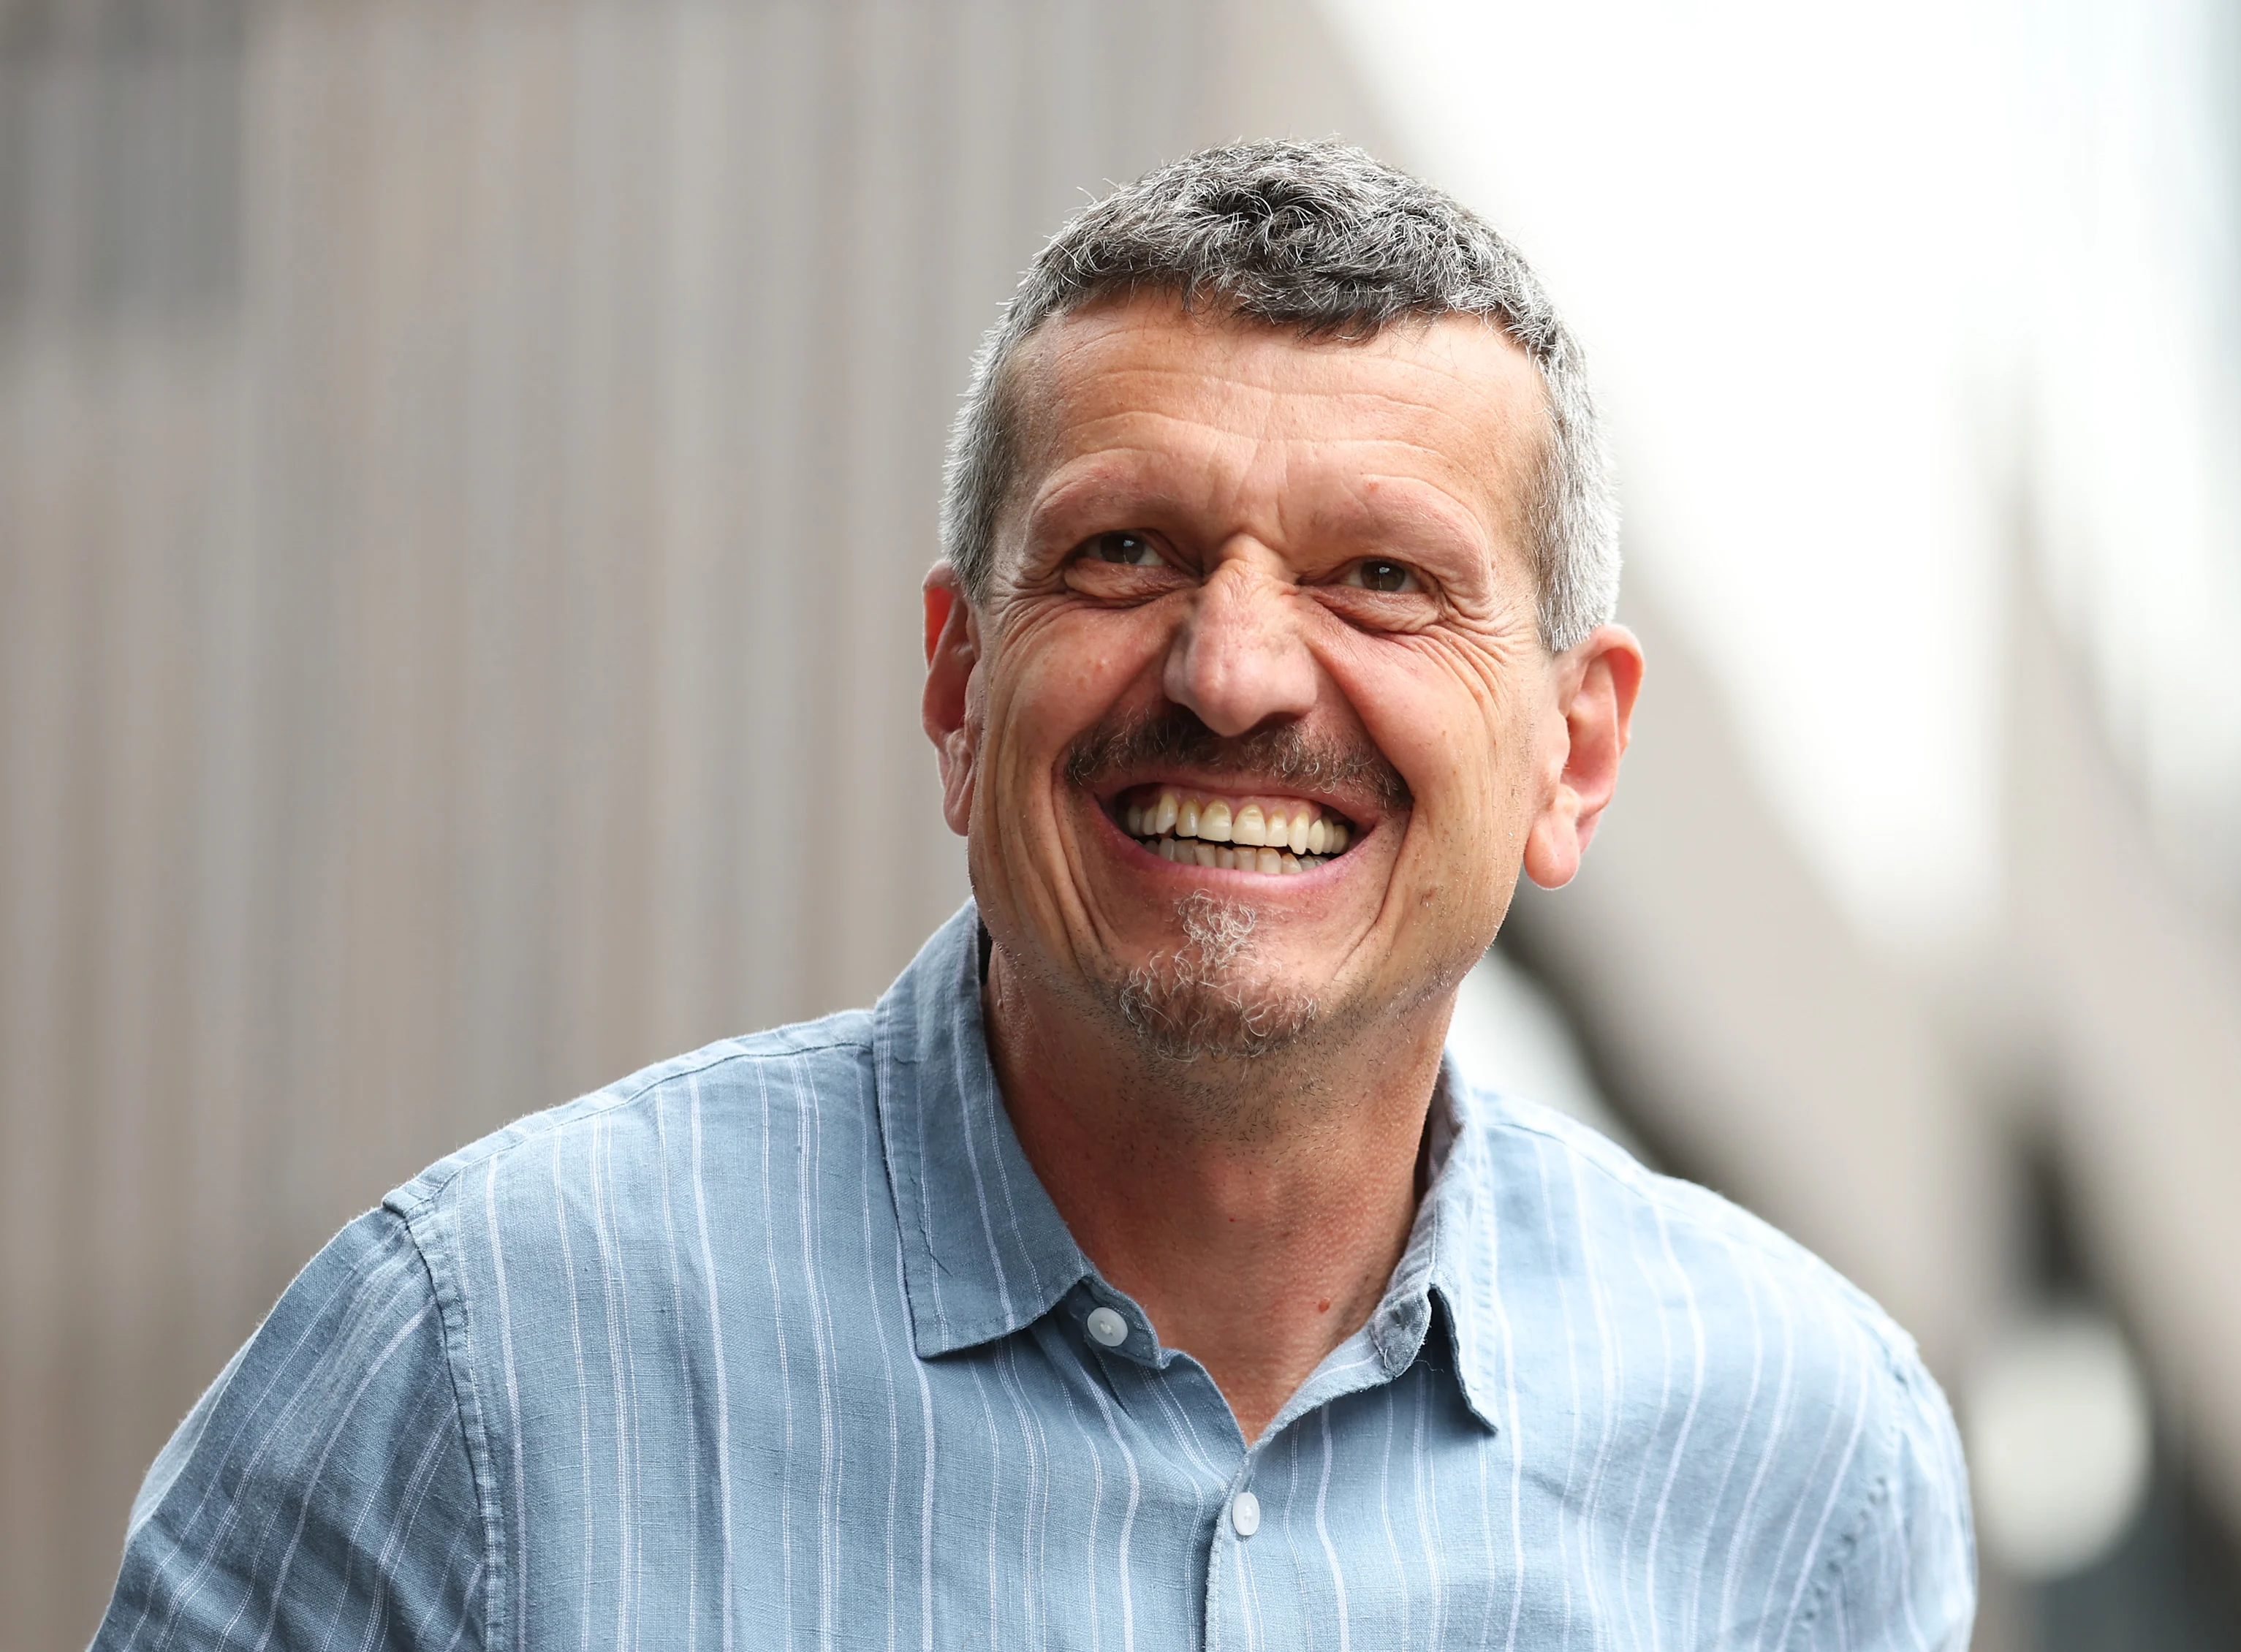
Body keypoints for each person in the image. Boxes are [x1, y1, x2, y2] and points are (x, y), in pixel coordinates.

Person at [91, 140, 1973, 1651]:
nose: (1233, 669)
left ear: (1573, 750)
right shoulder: (474, 1367)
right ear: (955, 684)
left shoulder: (1803, 1470)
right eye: (1126, 549)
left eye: (1381, 576)